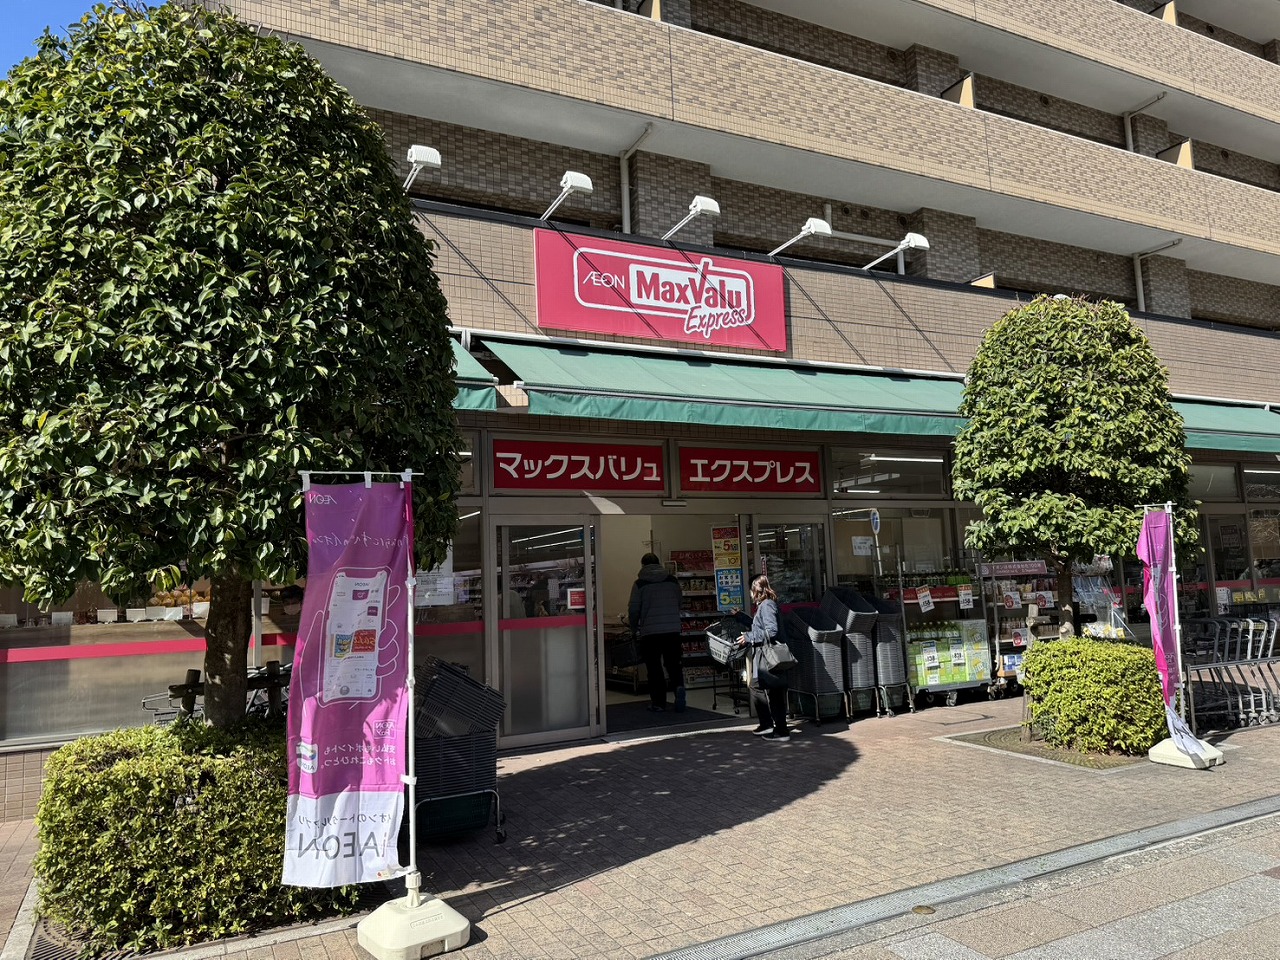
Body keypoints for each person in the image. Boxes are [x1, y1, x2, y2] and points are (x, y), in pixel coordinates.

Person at [627, 552, 685, 712]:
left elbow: (633, 610)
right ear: (658, 563)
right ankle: (679, 687)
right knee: (673, 664)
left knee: (654, 668)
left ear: (643, 565)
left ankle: (659, 703)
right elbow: (679, 602)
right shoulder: (672, 581)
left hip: (650, 632)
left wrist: (633, 628)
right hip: (672, 630)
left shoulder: (639, 584)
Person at [737, 574, 790, 742]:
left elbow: (771, 631)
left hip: (770, 656)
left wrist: (749, 637)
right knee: (759, 686)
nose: (750, 594)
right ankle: (769, 725)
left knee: (771, 691)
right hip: (765, 655)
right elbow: (759, 626)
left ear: (755, 589)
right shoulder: (765, 605)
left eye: (751, 590)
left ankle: (780, 730)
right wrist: (740, 617)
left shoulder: (767, 605)